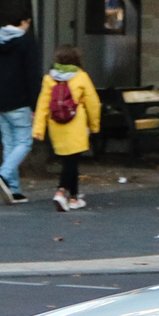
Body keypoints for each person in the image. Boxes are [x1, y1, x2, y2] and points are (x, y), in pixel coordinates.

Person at [0, 20, 43, 203]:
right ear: (23, 21)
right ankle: (4, 175)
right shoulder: (27, 43)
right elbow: (32, 75)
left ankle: (13, 190)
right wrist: (35, 104)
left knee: (9, 145)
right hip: (19, 100)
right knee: (24, 142)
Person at [38, 45, 102, 212]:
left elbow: (43, 104)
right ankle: (61, 191)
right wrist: (94, 126)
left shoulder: (49, 78)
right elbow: (93, 103)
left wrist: (38, 128)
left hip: (56, 123)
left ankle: (74, 198)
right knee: (72, 161)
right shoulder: (81, 77)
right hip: (76, 122)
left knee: (69, 160)